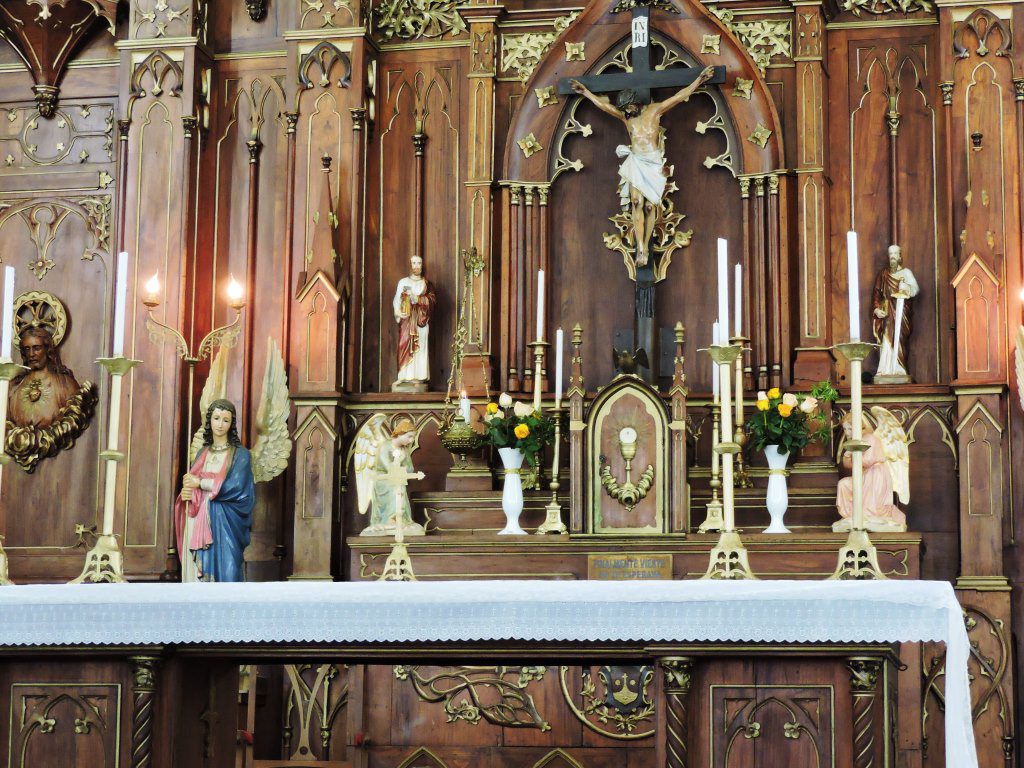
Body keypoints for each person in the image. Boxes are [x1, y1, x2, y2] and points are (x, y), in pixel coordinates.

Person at [570, 66, 716, 267]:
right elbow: (605, 107)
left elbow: (679, 97)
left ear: (635, 103)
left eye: (628, 108)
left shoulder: (654, 111)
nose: (626, 112)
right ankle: (641, 248)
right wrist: (586, 92)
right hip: (637, 161)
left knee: (649, 206)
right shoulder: (626, 118)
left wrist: (699, 80)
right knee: (637, 202)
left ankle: (646, 244)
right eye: (624, 110)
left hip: (653, 161)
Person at [174, 399, 256, 582]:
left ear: (232, 423)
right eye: (216, 418)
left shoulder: (241, 455)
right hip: (198, 520)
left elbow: (237, 488)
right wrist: (188, 494)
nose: (220, 424)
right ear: (209, 420)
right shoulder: (202, 453)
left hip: (226, 522)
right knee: (196, 576)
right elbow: (193, 488)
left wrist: (200, 483)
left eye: (226, 420)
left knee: (228, 570)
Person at [834, 413, 907, 532]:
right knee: (843, 484)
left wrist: (853, 454)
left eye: (850, 429)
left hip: (875, 474)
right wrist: (848, 455)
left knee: (871, 508)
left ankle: (870, 516)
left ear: (859, 426)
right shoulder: (856, 441)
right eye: (845, 429)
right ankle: (851, 515)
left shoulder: (870, 438)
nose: (847, 432)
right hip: (864, 474)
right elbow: (848, 465)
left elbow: (868, 461)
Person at [8, 326, 82, 428]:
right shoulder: (15, 387)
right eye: (27, 349)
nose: (31, 354)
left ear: (47, 349)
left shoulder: (65, 384)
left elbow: (74, 419)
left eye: (37, 348)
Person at [872, 244, 919, 381]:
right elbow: (876, 293)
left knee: (900, 338)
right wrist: (876, 309)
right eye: (890, 254)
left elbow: (915, 289)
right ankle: (885, 369)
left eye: (895, 254)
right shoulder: (883, 274)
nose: (892, 256)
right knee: (886, 337)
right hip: (887, 312)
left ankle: (899, 368)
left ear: (900, 256)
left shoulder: (906, 273)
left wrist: (906, 287)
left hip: (901, 311)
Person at [392, 255, 436, 389]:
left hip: (421, 322)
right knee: (404, 345)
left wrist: (418, 299)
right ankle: (403, 376)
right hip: (406, 321)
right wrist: (398, 312)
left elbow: (432, 301)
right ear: (410, 265)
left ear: (422, 266)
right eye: (414, 263)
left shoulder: (427, 284)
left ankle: (419, 377)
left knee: (420, 348)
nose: (416, 266)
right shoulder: (403, 282)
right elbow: (397, 300)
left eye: (419, 263)